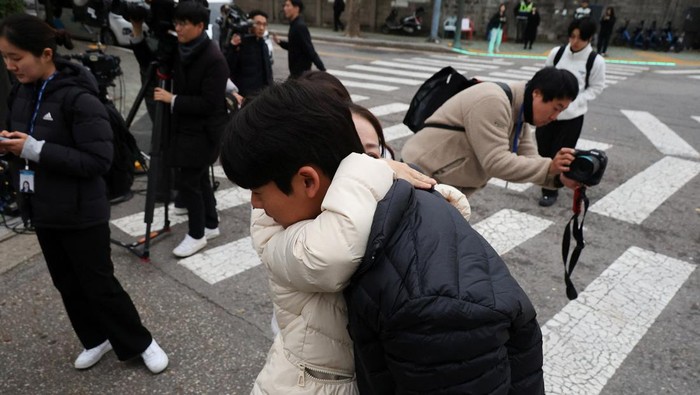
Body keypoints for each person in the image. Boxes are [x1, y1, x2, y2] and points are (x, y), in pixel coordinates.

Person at [220, 79, 538, 394]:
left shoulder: (428, 303)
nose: (254, 204)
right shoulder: (367, 217)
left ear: (308, 181)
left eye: (258, 192)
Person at [0, 13, 168, 374]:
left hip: (82, 212)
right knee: (67, 283)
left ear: (46, 53)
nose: (10, 65)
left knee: (99, 284)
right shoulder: (21, 92)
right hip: (42, 208)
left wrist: (34, 149)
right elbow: (22, 140)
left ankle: (141, 342)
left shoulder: (80, 97)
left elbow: (97, 160)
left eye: (16, 57)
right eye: (4, 57)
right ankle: (96, 338)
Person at [401, 67, 582, 198]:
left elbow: (531, 159)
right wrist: (550, 167)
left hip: (444, 184)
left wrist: (559, 177)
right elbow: (496, 162)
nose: (555, 117)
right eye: (556, 108)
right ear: (537, 94)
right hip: (420, 177)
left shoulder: (520, 112)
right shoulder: (493, 101)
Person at [148, 1, 229, 257]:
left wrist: (172, 100)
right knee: (199, 179)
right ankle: (211, 224)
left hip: (204, 131)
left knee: (190, 182)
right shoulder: (185, 48)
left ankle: (197, 235)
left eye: (184, 24)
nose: (178, 28)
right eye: (177, 23)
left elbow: (209, 103)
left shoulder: (213, 58)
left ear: (200, 26)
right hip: (187, 128)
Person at [537, 18, 606, 206]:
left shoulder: (595, 61)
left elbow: (597, 87)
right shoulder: (557, 53)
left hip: (572, 117)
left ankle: (550, 189)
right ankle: (544, 178)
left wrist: (575, 102)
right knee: (542, 149)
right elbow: (545, 76)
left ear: (589, 38)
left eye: (580, 38)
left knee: (560, 153)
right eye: (572, 36)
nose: (575, 42)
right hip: (548, 114)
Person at [224, 9, 273, 98]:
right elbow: (228, 67)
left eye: (264, 24)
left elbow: (268, 73)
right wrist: (233, 47)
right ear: (249, 24)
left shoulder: (263, 45)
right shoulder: (240, 44)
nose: (261, 28)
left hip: (262, 96)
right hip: (245, 97)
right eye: (258, 23)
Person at [272, 0, 326, 78]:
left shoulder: (300, 26)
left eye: (287, 6)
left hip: (301, 74)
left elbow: (309, 49)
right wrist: (279, 42)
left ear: (296, 8)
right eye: (284, 6)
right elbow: (293, 46)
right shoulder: (294, 25)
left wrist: (322, 69)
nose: (284, 8)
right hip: (295, 73)